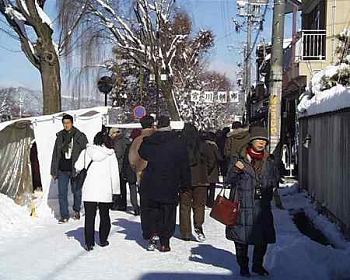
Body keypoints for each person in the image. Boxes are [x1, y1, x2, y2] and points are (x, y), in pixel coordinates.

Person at [225, 126, 278, 277]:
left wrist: (272, 186)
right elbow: (228, 180)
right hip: (243, 205)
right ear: (251, 141)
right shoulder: (239, 158)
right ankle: (243, 266)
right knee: (241, 239)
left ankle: (257, 265)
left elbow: (274, 179)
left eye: (264, 141)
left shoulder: (269, 159)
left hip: (262, 206)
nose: (261, 143)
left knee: (263, 238)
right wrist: (235, 169)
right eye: (258, 140)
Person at [138, 116, 190, 252]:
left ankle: (152, 235)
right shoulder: (178, 142)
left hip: (151, 181)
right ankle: (165, 242)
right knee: (168, 212)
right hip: (170, 182)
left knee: (153, 210)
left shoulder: (150, 141)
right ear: (169, 125)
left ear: (157, 126)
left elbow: (142, 153)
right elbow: (184, 165)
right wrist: (185, 184)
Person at [75, 132, 120, 251]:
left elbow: (78, 166)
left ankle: (89, 243)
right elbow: (114, 174)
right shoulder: (111, 154)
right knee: (104, 215)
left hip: (89, 189)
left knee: (89, 217)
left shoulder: (86, 151)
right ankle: (103, 239)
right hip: (105, 190)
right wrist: (116, 191)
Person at [180, 123, 215, 242]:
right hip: (201, 179)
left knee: (185, 206)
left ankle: (186, 232)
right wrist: (205, 171)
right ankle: (198, 227)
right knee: (199, 205)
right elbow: (211, 161)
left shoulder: (181, 146)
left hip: (185, 180)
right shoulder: (204, 145)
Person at [51, 114, 88, 223]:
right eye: (64, 123)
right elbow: (55, 154)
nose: (66, 125)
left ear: (72, 123)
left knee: (76, 191)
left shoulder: (79, 136)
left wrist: (83, 167)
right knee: (62, 193)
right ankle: (64, 215)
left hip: (75, 169)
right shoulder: (60, 137)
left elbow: (86, 151)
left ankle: (76, 209)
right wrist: (53, 170)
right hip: (62, 169)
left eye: (68, 123)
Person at [128, 115, 155, 183]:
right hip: (159, 173)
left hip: (141, 173)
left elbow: (132, 158)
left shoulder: (137, 140)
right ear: (152, 124)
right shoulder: (157, 138)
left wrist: (138, 169)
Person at [108, 128, 130, 211]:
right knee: (123, 186)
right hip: (125, 166)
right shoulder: (125, 140)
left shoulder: (117, 141)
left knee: (119, 186)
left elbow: (118, 154)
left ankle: (118, 204)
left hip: (119, 166)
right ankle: (123, 203)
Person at [204, 132, 223, 208]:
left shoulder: (202, 145)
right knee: (212, 188)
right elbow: (219, 157)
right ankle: (210, 202)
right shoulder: (214, 146)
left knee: (205, 188)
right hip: (213, 170)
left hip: (204, 169)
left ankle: (205, 201)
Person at [122, 142, 140, 216]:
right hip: (141, 171)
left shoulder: (129, 147)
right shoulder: (144, 145)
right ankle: (143, 207)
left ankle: (135, 207)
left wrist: (124, 171)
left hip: (130, 171)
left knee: (132, 189)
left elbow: (125, 160)